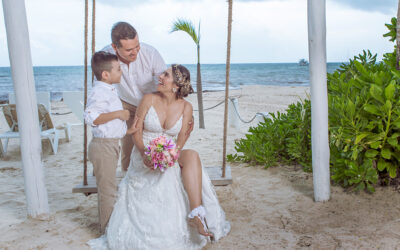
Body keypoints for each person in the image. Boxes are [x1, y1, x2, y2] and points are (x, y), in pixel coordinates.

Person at [88, 64, 230, 249]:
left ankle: (196, 211)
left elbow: (182, 136)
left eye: (166, 75)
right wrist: (144, 153)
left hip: (168, 152)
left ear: (176, 85)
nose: (160, 77)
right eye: (162, 73)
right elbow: (136, 131)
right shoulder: (148, 99)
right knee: (166, 177)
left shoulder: (186, 107)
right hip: (143, 151)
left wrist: (172, 154)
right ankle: (188, 214)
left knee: (192, 156)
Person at [102, 22, 169, 174]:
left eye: (137, 46)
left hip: (153, 103)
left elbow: (166, 84)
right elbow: (102, 89)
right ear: (114, 47)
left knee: (157, 142)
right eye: (129, 50)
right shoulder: (105, 57)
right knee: (128, 147)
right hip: (125, 105)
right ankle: (128, 178)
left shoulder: (151, 53)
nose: (135, 52)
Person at [84, 51, 136, 233]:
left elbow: (111, 127)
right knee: (107, 191)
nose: (121, 72)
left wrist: (128, 130)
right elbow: (90, 116)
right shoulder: (99, 91)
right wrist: (119, 114)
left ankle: (110, 226)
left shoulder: (108, 89)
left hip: (110, 144)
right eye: (118, 69)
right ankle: (108, 231)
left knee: (110, 187)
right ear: (106, 74)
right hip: (103, 146)